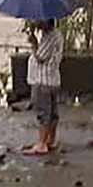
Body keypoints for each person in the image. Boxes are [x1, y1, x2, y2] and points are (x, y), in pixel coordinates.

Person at [24, 19, 64, 156]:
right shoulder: (55, 35)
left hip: (43, 80)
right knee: (52, 113)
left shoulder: (51, 36)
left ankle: (42, 143)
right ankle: (50, 140)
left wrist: (34, 44)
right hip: (51, 79)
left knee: (43, 113)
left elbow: (41, 57)